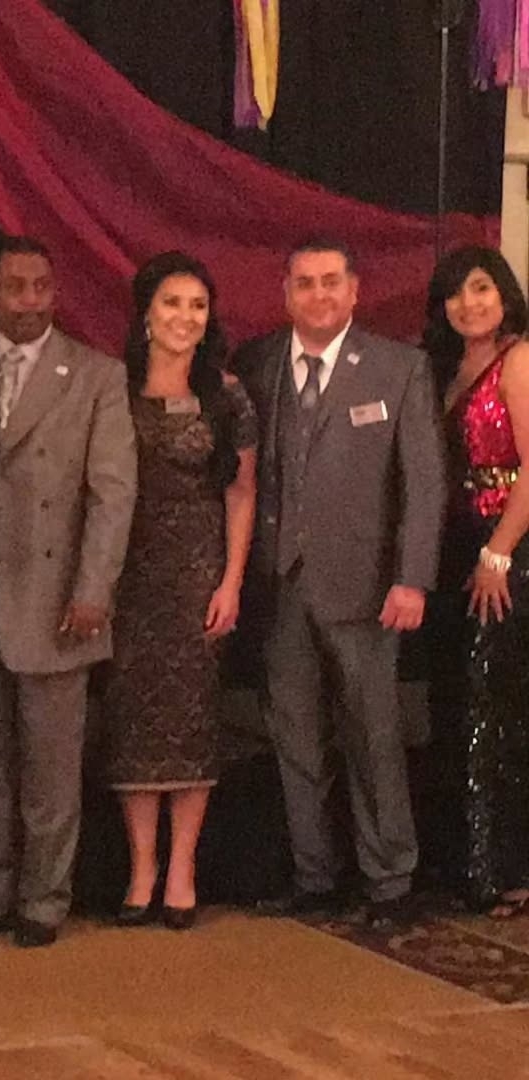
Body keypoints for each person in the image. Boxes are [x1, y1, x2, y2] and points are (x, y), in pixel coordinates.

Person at [239, 237, 445, 926]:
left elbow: (424, 485)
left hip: (368, 589)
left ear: (356, 290)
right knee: (295, 739)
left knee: (373, 739)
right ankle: (315, 876)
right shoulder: (259, 363)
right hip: (280, 586)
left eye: (331, 281)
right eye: (305, 282)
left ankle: (390, 881)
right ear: (285, 293)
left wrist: (412, 578)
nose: (319, 294)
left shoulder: (400, 367)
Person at [0, 236, 136, 947]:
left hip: (58, 597)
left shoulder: (95, 375)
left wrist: (95, 590)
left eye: (40, 287)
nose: (28, 301)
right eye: (14, 287)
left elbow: (113, 495)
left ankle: (44, 900)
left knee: (51, 771)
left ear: (55, 294)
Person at [102, 252, 256, 929]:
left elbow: (242, 492)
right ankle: (141, 872)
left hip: (199, 574)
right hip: (127, 575)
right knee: (133, 722)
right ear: (146, 312)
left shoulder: (228, 394)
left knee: (193, 723)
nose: (184, 317)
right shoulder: (114, 386)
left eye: (197, 305)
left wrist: (232, 580)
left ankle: (183, 872)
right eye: (172, 303)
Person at [422, 246, 529, 917]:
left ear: (505, 294)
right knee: (457, 702)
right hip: (456, 544)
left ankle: (504, 869)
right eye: (457, 293)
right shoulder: (444, 368)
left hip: (506, 546)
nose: (471, 303)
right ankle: (465, 860)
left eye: (482, 287)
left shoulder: (518, 359)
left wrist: (498, 554)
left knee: (495, 708)